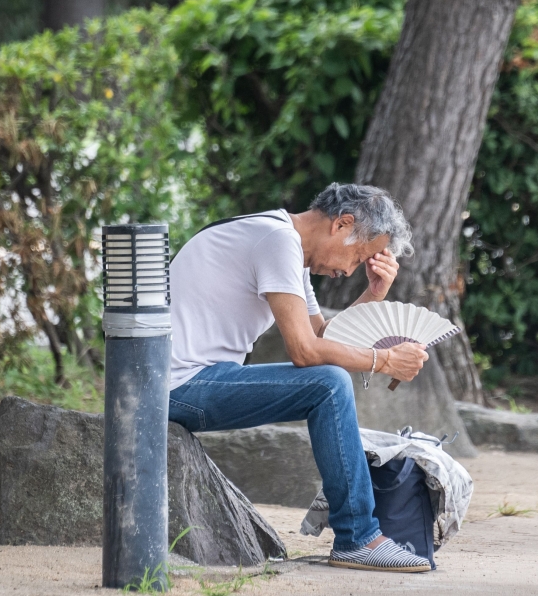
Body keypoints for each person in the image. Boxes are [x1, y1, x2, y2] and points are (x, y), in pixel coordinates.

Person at [167, 183, 433, 573]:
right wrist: (384, 360)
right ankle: (358, 538)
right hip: (179, 387)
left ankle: (358, 537)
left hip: (200, 380)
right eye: (358, 257)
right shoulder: (276, 241)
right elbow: (305, 352)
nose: (348, 272)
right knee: (329, 384)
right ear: (342, 224)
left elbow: (323, 340)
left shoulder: (285, 245)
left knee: (328, 379)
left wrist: (373, 295)